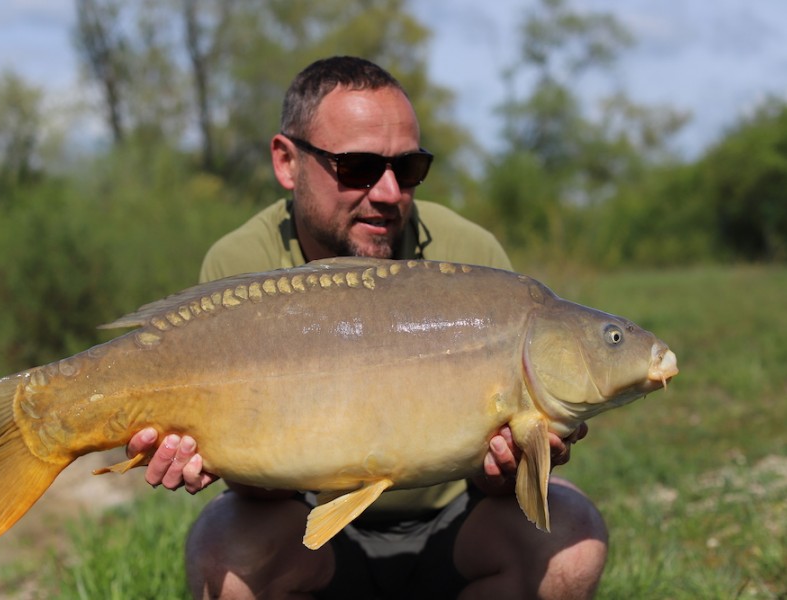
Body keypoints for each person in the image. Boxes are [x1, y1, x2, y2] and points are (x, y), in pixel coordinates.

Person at [127, 56, 607, 599]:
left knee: (572, 535)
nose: (387, 192)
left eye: (408, 170)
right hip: (310, 534)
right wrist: (209, 457)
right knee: (223, 547)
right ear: (287, 162)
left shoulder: (472, 260)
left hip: (453, 527)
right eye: (357, 167)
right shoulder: (242, 266)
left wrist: (508, 469)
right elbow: (257, 488)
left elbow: (496, 479)